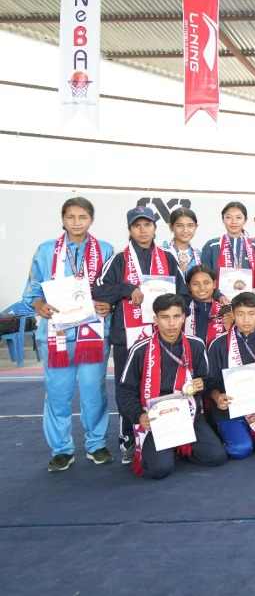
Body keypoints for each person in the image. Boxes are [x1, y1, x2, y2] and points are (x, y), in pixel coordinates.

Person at [24, 197, 115, 472]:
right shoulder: (46, 250)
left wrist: (109, 304)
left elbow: (113, 288)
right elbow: (32, 292)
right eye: (70, 217)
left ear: (91, 220)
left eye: (82, 217)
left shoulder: (105, 249)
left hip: (93, 333)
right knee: (57, 394)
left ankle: (96, 444)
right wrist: (40, 305)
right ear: (62, 219)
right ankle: (62, 449)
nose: (76, 222)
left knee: (93, 392)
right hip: (56, 335)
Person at [94, 206, 186, 464]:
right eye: (137, 225)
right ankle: (128, 439)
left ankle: (171, 432)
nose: (143, 230)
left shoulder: (167, 258)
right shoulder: (119, 259)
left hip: (164, 335)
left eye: (147, 225)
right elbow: (98, 290)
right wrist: (127, 289)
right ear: (130, 230)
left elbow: (183, 293)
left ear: (155, 228)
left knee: (166, 383)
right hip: (128, 337)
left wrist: (177, 315)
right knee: (129, 388)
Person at [117, 294, 226, 479]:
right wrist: (139, 415)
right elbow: (125, 391)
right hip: (156, 418)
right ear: (155, 319)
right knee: (160, 469)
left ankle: (178, 446)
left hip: (188, 415)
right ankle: (169, 448)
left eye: (176, 316)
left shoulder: (196, 345)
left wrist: (203, 383)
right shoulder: (140, 349)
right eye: (165, 317)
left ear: (184, 318)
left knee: (217, 457)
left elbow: (209, 380)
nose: (171, 323)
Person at [205, 292, 255, 459]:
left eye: (251, 314)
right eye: (240, 314)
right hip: (229, 408)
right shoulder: (218, 344)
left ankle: (249, 431)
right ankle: (238, 433)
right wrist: (217, 397)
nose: (246, 320)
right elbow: (210, 383)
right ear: (233, 315)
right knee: (240, 449)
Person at [200, 201, 255, 296]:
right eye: (228, 217)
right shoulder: (212, 246)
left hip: (249, 301)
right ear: (223, 219)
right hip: (220, 301)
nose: (233, 222)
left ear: (245, 220)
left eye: (238, 217)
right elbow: (205, 278)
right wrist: (218, 296)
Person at [184, 265, 226, 345]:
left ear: (214, 284)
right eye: (195, 284)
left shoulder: (225, 310)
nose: (202, 288)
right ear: (189, 286)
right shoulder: (183, 310)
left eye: (206, 283)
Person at [163, 207, 202, 281]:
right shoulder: (161, 253)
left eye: (190, 225)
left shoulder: (200, 255)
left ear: (196, 227)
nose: (185, 230)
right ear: (171, 227)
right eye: (179, 225)